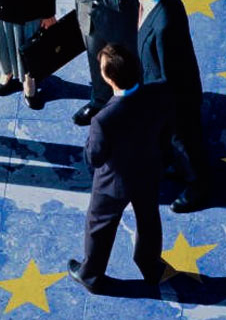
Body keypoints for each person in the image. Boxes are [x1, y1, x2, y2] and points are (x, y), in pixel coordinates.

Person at [68, 44, 172, 293]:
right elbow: (166, 131)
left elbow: (94, 157)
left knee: (100, 224)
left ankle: (91, 275)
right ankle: (151, 265)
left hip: (113, 182)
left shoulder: (103, 119)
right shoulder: (157, 95)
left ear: (108, 78)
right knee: (148, 217)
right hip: (149, 170)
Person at [123, 0, 208, 212]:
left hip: (174, 98)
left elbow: (169, 75)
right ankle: (179, 166)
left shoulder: (164, 25)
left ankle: (198, 185)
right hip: (161, 90)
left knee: (183, 140)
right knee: (170, 139)